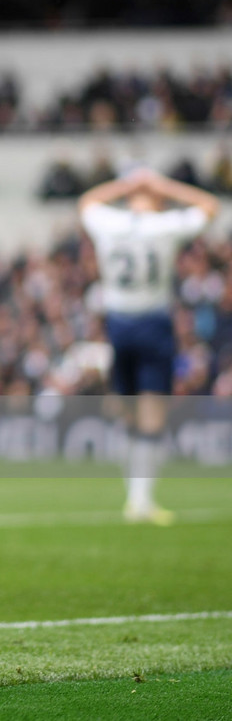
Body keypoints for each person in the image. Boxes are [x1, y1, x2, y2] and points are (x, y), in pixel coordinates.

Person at [78, 167, 219, 525]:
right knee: (152, 413)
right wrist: (164, 185)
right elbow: (209, 205)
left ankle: (133, 496)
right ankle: (141, 499)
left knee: (128, 413)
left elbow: (86, 202)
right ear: (157, 200)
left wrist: (126, 183)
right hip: (153, 323)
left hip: (118, 324)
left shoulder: (109, 222)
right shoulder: (165, 225)